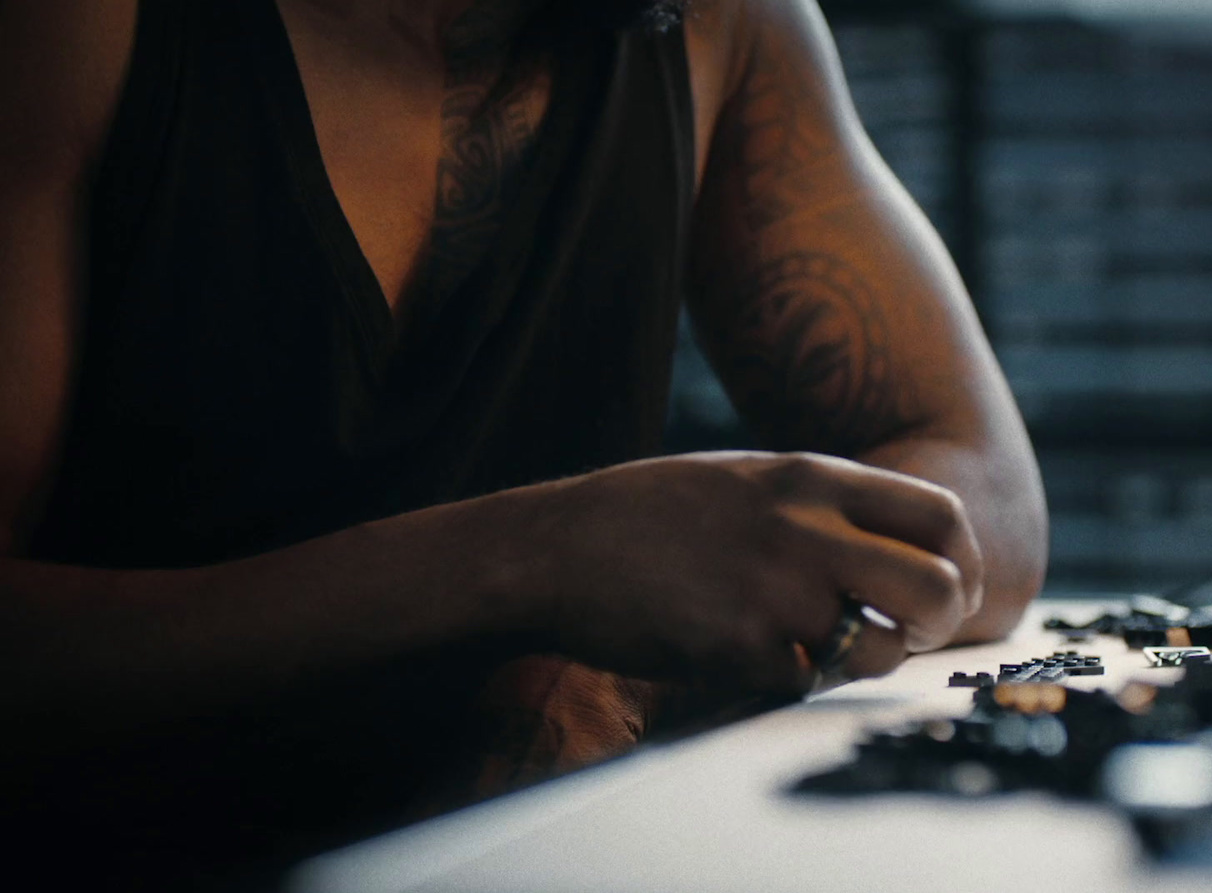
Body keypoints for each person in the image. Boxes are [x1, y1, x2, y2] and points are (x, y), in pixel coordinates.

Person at [0, 0, 1047, 886]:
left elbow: (978, 483)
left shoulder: (722, 24)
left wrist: (626, 667)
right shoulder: (73, 27)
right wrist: (535, 558)